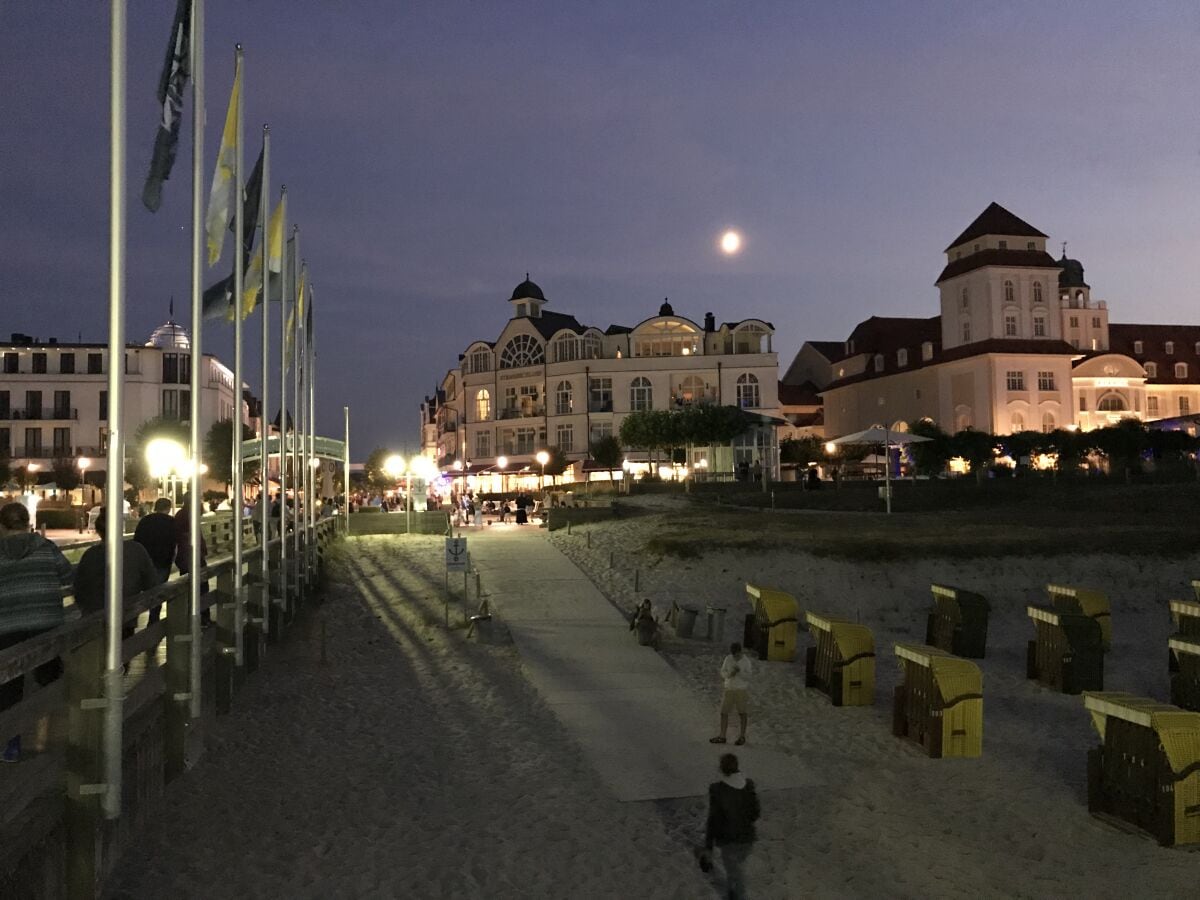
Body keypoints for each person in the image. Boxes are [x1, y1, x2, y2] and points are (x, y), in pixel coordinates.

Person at [0, 501, 72, 763]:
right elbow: (67, 575)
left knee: (9, 687)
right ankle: (57, 735)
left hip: (7, 626)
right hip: (45, 622)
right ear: (27, 522)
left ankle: (11, 744)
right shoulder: (45, 547)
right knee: (51, 678)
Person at [74, 507, 159, 636]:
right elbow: (152, 582)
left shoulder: (90, 555)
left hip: (93, 617)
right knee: (123, 650)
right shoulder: (135, 550)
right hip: (126, 616)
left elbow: (79, 587)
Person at [703, 753, 760, 900]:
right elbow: (755, 813)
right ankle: (731, 892)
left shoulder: (716, 789)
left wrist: (709, 846)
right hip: (747, 837)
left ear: (721, 768)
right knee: (736, 869)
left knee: (734, 872)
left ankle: (736, 894)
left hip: (728, 838)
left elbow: (713, 819)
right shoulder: (749, 785)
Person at [711, 642, 752, 746]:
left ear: (740, 652)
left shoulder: (746, 661)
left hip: (740, 689)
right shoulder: (728, 659)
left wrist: (740, 672)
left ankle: (742, 736)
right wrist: (729, 674)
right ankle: (722, 736)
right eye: (734, 655)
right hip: (729, 688)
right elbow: (722, 672)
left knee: (742, 713)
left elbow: (748, 677)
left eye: (737, 655)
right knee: (724, 712)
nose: (735, 657)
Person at [134, 498, 179, 589]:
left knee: (147, 589)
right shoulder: (171, 521)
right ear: (168, 508)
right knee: (159, 588)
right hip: (163, 560)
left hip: (146, 559)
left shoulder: (144, 520)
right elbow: (175, 541)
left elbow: (137, 540)